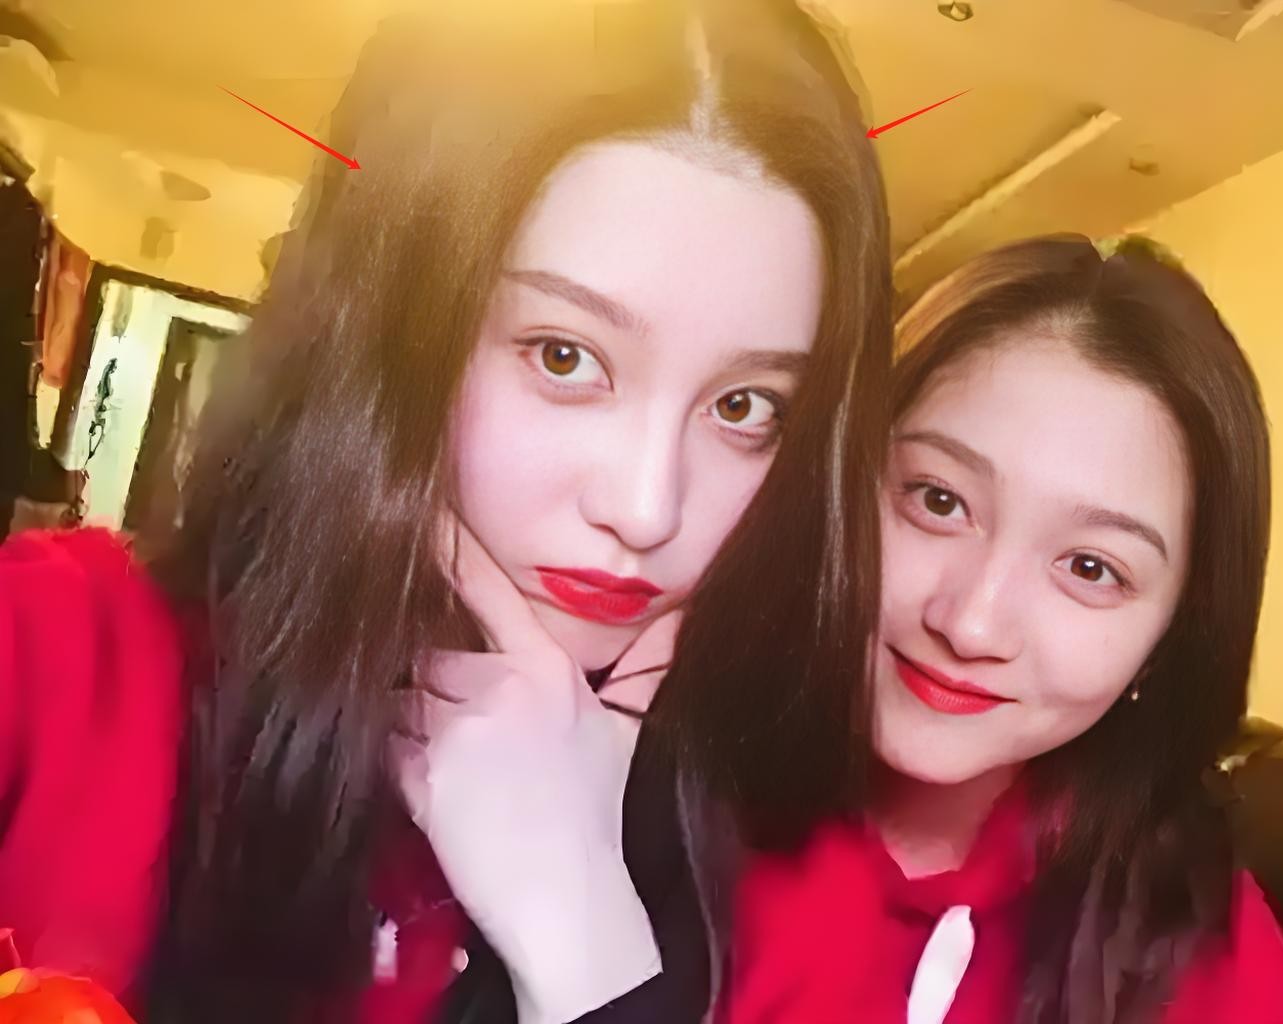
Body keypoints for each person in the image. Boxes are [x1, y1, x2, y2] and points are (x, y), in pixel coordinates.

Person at [0, 1, 891, 1021]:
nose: (647, 508)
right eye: (564, 356)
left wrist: (586, 939)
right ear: (386, 329)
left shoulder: (795, 892)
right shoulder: (60, 660)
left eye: (744, 407)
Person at [717, 235, 1283, 1023]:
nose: (971, 624)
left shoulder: (1207, 958)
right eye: (938, 500)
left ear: (1171, 640)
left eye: (1091, 567)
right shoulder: (644, 788)